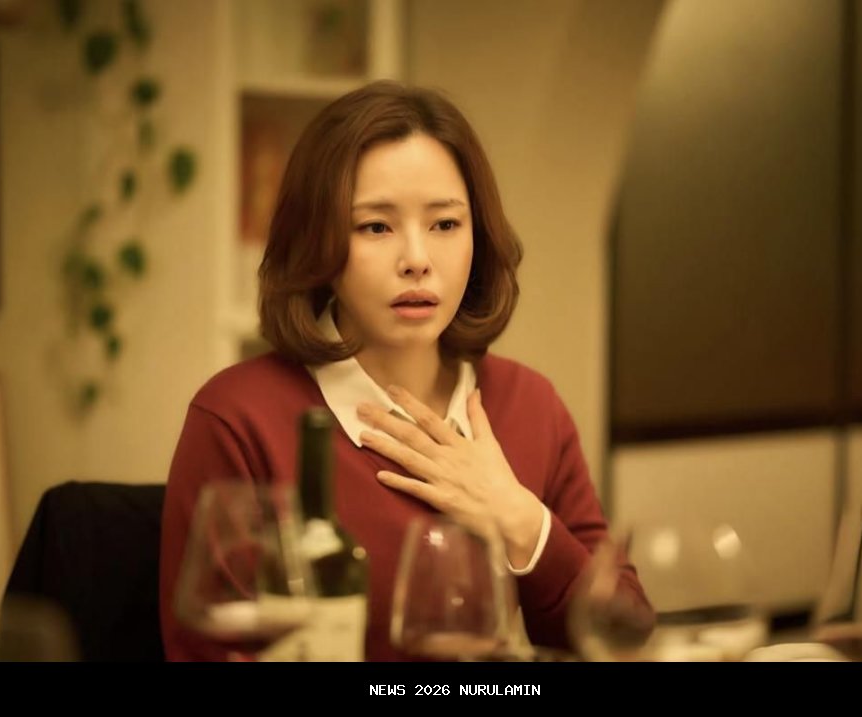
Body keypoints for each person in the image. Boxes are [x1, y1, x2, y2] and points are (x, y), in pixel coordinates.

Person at [159, 81, 654, 661]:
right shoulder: (238, 417)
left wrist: (517, 516)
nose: (417, 259)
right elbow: (205, 651)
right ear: (318, 242)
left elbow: (626, 640)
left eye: (445, 225)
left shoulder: (530, 403)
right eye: (376, 226)